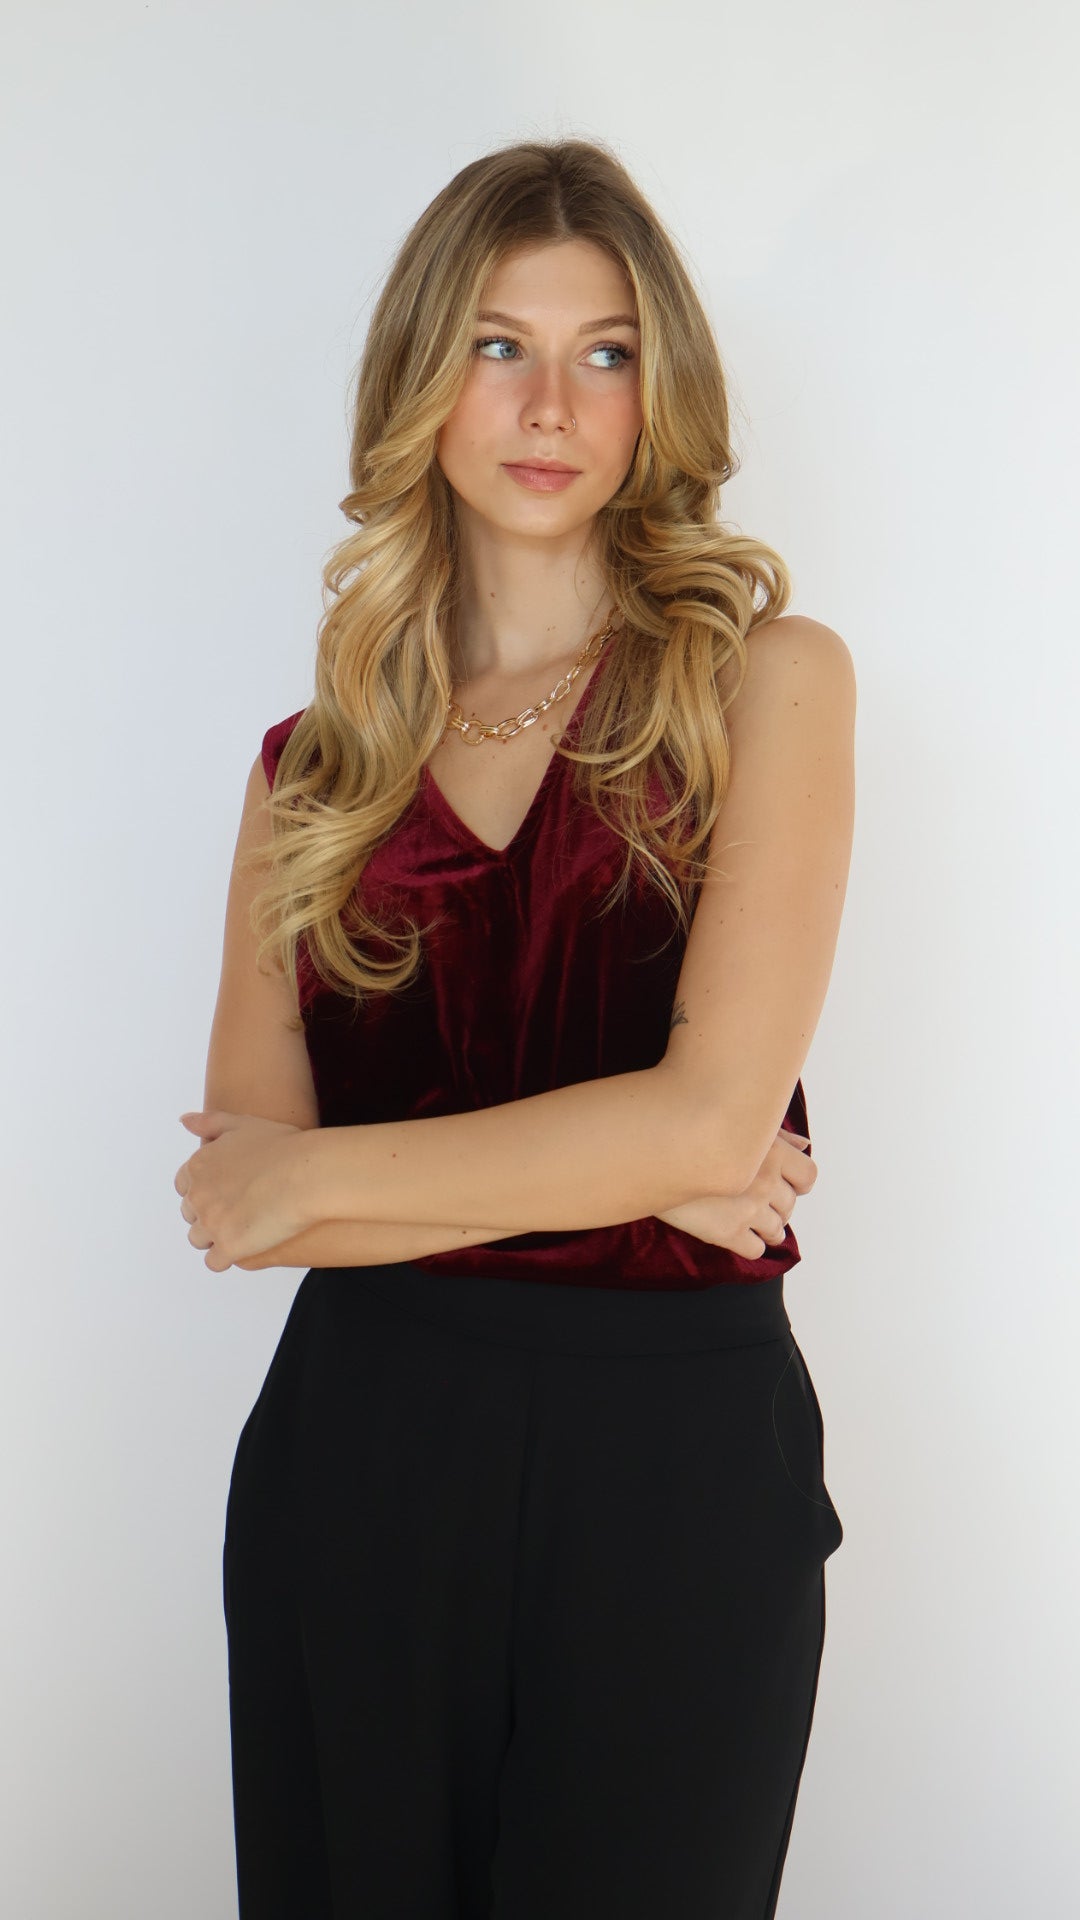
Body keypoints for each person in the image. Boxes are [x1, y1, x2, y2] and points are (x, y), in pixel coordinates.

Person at [175, 137, 856, 1920]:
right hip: (360, 1466)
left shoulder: (765, 685)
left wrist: (344, 1178)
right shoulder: (311, 774)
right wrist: (636, 1171)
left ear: (659, 392)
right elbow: (239, 1201)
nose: (552, 403)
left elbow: (707, 1128)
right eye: (498, 345)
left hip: (675, 1480)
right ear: (423, 377)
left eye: (605, 352)